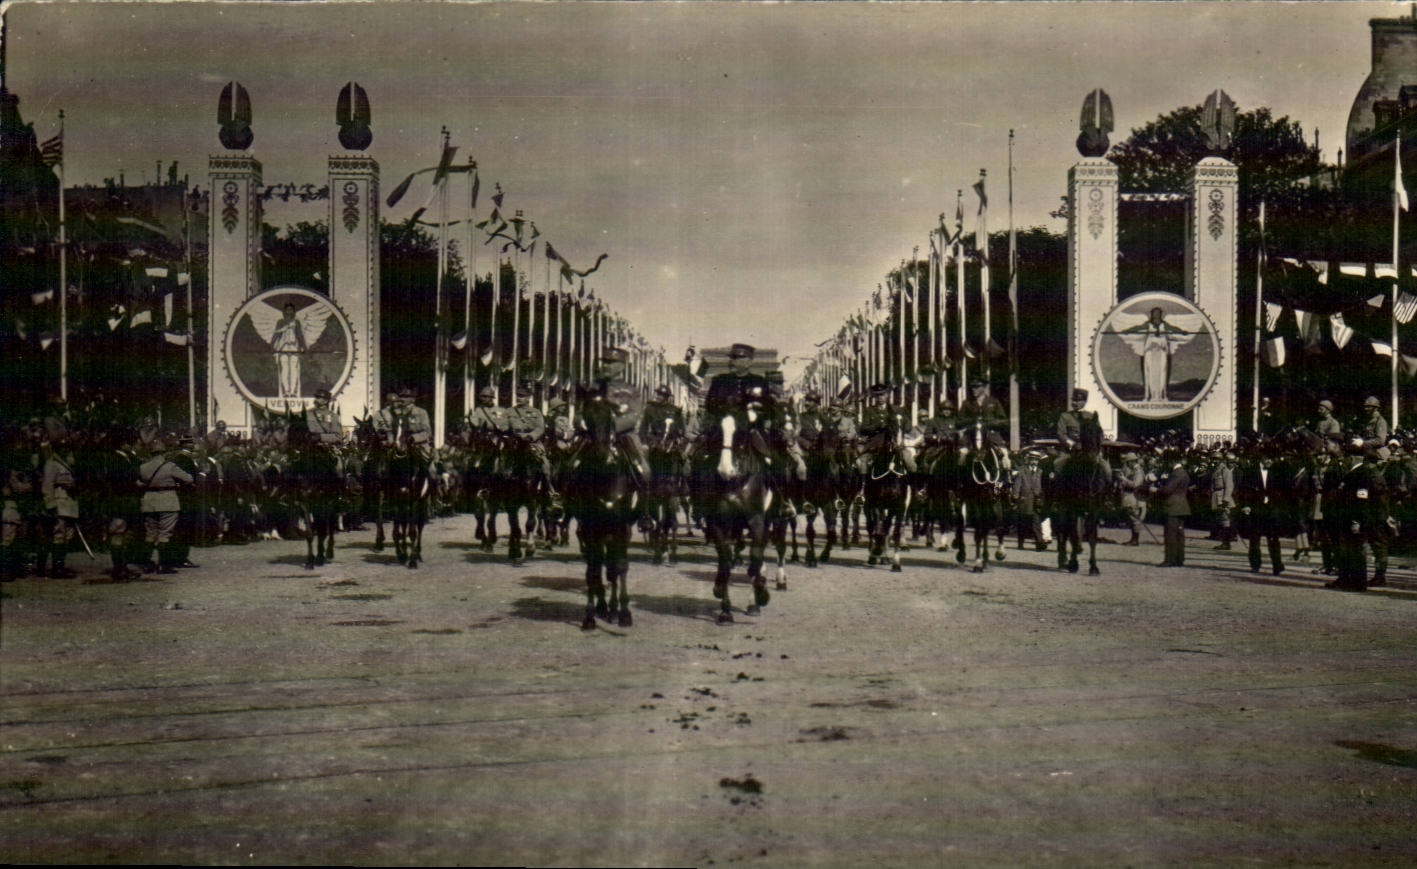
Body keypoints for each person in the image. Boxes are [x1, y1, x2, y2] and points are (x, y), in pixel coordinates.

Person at [1326, 438, 1391, 591]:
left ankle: (1356, 583)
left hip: (1358, 517)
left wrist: (1357, 521)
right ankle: (1352, 581)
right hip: (1358, 516)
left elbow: (1361, 499)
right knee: (1354, 549)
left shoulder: (1362, 473)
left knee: (1355, 549)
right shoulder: (1361, 472)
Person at [138, 434, 194, 574]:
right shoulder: (170, 466)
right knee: (165, 533)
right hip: (167, 500)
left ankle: (146, 563)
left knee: (150, 533)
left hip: (149, 501)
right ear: (164, 452)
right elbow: (188, 479)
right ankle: (163, 565)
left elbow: (139, 482)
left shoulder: (143, 467)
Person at [1235, 447, 1286, 576]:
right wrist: (1245, 505)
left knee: (1274, 539)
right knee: (1254, 539)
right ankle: (1255, 565)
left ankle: (1277, 565)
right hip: (1256, 509)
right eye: (1267, 459)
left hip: (1271, 510)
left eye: (1271, 459)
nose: (1269, 461)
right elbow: (1243, 490)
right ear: (1262, 458)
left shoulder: (1277, 471)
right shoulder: (1250, 471)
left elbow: (1282, 489)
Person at [1124, 306, 1187, 402]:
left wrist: (1182, 332)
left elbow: (1173, 328)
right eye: (1155, 313)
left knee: (1163, 372)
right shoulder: (1148, 325)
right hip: (1150, 351)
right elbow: (1138, 328)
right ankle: (1148, 396)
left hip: (1161, 351)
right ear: (1152, 314)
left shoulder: (1164, 325)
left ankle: (1162, 396)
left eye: (1158, 313)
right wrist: (1128, 331)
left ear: (1160, 315)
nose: (1156, 315)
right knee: (1149, 372)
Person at [1152, 450, 1191, 567]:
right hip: (1181, 506)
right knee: (1179, 534)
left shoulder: (1176, 473)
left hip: (1172, 506)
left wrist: (1156, 490)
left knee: (1170, 534)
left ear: (1172, 461)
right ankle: (1179, 558)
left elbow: (1167, 490)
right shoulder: (1182, 472)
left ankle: (1170, 559)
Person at [271, 302, 308, 400]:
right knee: (284, 369)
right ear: (284, 311)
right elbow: (276, 334)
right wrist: (272, 346)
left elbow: (300, 335)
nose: (289, 312)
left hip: (294, 347)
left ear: (294, 311)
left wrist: (303, 347)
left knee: (294, 369)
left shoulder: (296, 322)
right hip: (283, 347)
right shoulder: (280, 322)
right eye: (287, 310)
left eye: (291, 310)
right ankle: (286, 391)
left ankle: (293, 392)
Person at [1011, 452, 1045, 550]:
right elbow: (1017, 484)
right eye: (1032, 459)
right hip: (1024, 500)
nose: (1034, 462)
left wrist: (1042, 497)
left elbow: (1042, 485)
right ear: (1029, 460)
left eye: (1036, 460)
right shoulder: (1022, 470)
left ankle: (1039, 543)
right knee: (1023, 522)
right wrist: (1016, 496)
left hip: (1036, 501)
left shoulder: (1040, 472)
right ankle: (1020, 542)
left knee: (1036, 522)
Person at [1116, 451, 1148, 546]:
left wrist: (1124, 480)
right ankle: (1133, 538)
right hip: (1132, 497)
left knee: (1135, 519)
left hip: (1136, 498)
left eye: (1128, 462)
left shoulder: (1138, 472)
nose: (1127, 465)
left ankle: (1135, 540)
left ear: (1132, 461)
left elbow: (1136, 485)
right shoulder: (1133, 471)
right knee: (1131, 518)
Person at [1210, 451, 1237, 550]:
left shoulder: (1225, 470)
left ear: (1221, 460)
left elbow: (1229, 486)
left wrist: (1225, 500)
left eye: (1217, 459)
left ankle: (1226, 543)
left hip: (1223, 497)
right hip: (1217, 496)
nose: (1214, 461)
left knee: (1225, 520)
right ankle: (1224, 542)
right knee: (1221, 520)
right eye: (1213, 459)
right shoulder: (1216, 470)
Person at [1056, 388, 1096, 452]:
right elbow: (1061, 434)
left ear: (1084, 402)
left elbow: (1098, 434)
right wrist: (1072, 444)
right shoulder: (1065, 416)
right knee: (1060, 459)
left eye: (1077, 401)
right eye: (1073, 400)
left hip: (1088, 450)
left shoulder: (1091, 416)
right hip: (1070, 451)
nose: (1074, 403)